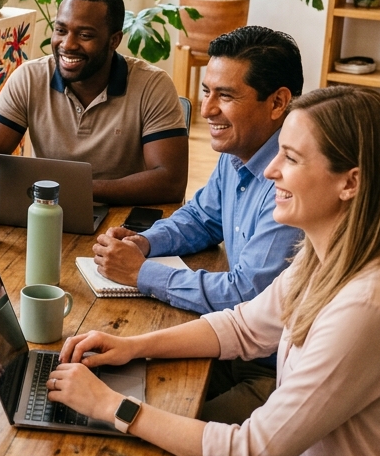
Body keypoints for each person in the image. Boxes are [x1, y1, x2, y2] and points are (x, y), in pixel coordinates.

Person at [46, 86, 380, 456]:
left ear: (350, 182)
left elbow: (248, 454)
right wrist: (132, 346)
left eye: (292, 158)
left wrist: (114, 408)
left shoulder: (370, 304)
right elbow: (243, 327)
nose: (270, 172)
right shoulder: (329, 257)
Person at [93, 26, 305, 423]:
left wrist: (142, 274)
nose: (206, 110)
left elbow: (246, 294)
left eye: (225, 96)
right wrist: (145, 242)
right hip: (234, 343)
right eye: (207, 91)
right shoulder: (239, 150)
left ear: (277, 102)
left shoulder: (292, 183)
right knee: (114, 383)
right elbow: (202, 217)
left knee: (148, 434)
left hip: (273, 373)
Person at [0, 0, 188, 205]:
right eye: (61, 30)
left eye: (84, 35)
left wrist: (74, 189)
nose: (68, 44)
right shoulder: (29, 78)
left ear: (114, 40)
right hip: (47, 211)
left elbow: (170, 182)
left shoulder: (152, 85)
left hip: (122, 220)